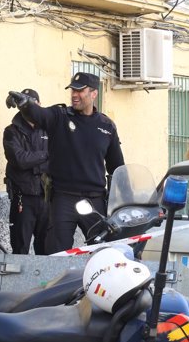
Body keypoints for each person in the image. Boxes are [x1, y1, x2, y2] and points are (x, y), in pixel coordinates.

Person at [6, 72, 125, 254]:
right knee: (56, 253)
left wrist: (125, 199)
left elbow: (117, 167)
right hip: (64, 198)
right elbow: (40, 114)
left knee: (104, 250)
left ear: (94, 94)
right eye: (72, 90)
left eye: (80, 90)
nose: (74, 95)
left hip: (95, 199)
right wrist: (25, 105)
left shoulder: (107, 126)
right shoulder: (60, 116)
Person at [3, 88, 49, 255]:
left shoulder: (48, 129)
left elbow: (57, 159)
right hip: (23, 199)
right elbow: (20, 159)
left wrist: (35, 162)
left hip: (46, 198)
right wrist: (45, 156)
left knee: (46, 251)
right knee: (20, 249)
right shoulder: (11, 131)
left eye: (33, 105)